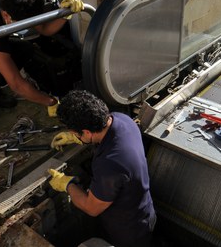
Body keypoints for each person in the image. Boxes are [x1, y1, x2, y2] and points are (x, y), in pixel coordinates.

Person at [48, 90, 156, 247]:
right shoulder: (122, 119)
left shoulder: (110, 164)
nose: (75, 136)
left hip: (129, 231)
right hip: (143, 210)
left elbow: (91, 208)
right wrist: (77, 138)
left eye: (75, 134)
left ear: (86, 131)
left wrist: (67, 184)